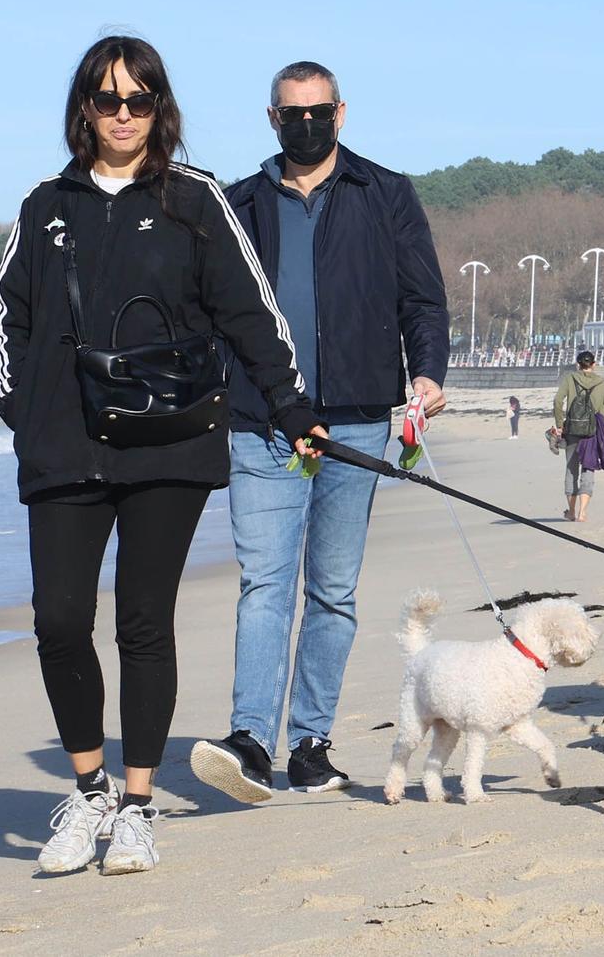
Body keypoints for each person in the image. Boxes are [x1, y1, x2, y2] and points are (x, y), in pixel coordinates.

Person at [0, 35, 324, 875]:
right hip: (64, 444)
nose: (124, 115)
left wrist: (291, 408)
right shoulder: (45, 204)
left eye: (140, 100)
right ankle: (89, 790)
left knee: (143, 621)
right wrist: (26, 415)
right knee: (59, 619)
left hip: (168, 442)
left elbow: (251, 312)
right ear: (85, 109)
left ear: (160, 107)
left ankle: (136, 807)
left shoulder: (193, 199)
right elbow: (7, 323)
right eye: (108, 100)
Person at [191, 61, 450, 806]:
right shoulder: (238, 202)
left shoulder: (386, 193)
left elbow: (422, 298)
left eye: (317, 110)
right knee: (266, 583)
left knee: (333, 590)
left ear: (341, 112)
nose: (304, 122)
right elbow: (211, 311)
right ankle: (249, 739)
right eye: (290, 112)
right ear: (272, 118)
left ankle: (310, 743)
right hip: (263, 423)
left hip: (361, 420)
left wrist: (427, 370)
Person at [553, 350, 604, 521]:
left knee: (571, 469)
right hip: (593, 432)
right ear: (593, 364)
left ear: (578, 364)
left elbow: (557, 400)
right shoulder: (601, 383)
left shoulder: (570, 379)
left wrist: (560, 424)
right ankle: (583, 511)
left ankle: (571, 512)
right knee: (588, 467)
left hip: (573, 430)